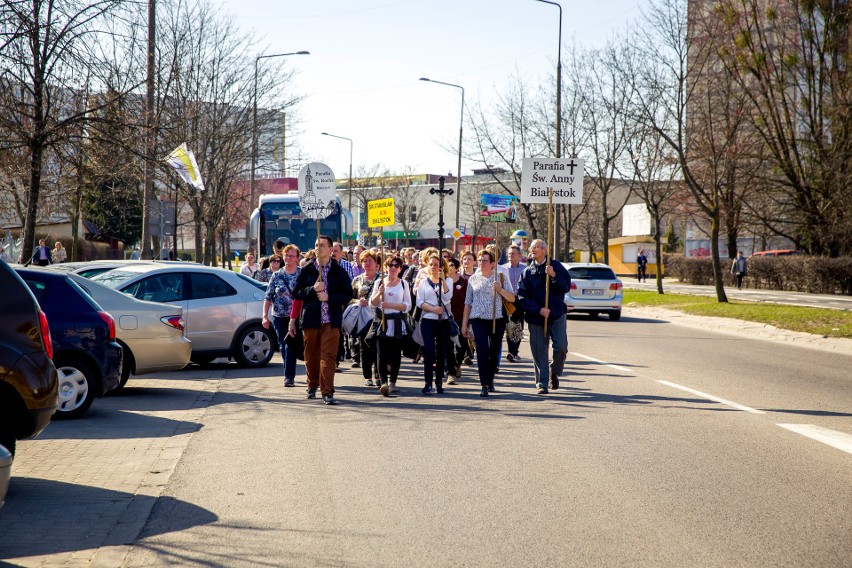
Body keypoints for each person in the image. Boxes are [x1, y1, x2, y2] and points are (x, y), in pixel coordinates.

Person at [292, 235, 352, 405]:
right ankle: (312, 385)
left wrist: (329, 297)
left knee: (329, 356)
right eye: (316, 245)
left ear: (330, 249)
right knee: (311, 355)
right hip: (311, 319)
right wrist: (313, 289)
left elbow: (347, 294)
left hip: (331, 320)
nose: (318, 248)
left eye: (322, 245)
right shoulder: (307, 269)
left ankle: (327, 391)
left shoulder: (338, 271)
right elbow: (296, 293)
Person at [517, 239, 571, 394]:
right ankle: (542, 383)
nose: (533, 249)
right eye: (532, 247)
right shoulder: (527, 272)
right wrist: (538, 309)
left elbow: (566, 286)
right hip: (536, 317)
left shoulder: (556, 267)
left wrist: (554, 276)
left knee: (561, 347)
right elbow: (521, 297)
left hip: (557, 314)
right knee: (539, 351)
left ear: (545, 251)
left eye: (537, 247)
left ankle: (554, 370)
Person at [461, 249, 515, 397]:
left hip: (496, 319)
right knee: (482, 351)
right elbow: (468, 303)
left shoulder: (500, 277)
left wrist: (500, 289)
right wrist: (464, 325)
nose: (481, 263)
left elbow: (512, 298)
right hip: (478, 319)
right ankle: (484, 384)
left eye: (485, 260)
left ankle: (490, 379)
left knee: (494, 352)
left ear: (492, 263)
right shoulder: (473, 279)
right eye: (480, 260)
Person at [371, 254, 412, 396]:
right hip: (382, 321)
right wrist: (379, 293)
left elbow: (407, 305)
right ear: (386, 268)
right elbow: (372, 303)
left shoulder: (403, 284)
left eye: (396, 266)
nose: (393, 268)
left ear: (400, 269)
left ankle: (392, 382)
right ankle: (383, 382)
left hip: (396, 322)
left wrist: (391, 305)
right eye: (390, 265)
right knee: (381, 353)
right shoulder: (379, 282)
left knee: (395, 353)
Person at [262, 247, 300, 387]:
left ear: (297, 258)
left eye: (292, 256)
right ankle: (289, 372)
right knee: (283, 345)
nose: (289, 258)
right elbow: (268, 296)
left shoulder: (301, 274)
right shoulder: (277, 275)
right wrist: (264, 316)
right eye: (286, 255)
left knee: (291, 345)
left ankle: (289, 376)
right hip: (279, 316)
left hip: (296, 316)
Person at [416, 253, 453, 394]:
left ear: (442, 267)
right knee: (429, 350)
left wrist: (443, 280)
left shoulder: (447, 281)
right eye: (431, 264)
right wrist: (433, 309)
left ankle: (439, 382)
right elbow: (420, 301)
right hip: (428, 320)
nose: (433, 267)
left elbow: (448, 296)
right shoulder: (424, 282)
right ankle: (428, 383)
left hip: (442, 321)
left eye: (436, 265)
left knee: (441, 351)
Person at [350, 250, 381, 386]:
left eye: (370, 260)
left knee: (378, 346)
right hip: (363, 317)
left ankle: (379, 374)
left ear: (376, 264)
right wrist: (357, 302)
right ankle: (367, 376)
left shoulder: (382, 279)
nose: (367, 263)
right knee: (364, 346)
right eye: (365, 261)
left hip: (379, 317)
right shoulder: (357, 280)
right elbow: (349, 299)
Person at [502, 244, 526, 362]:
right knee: (508, 325)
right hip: (506, 300)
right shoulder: (503, 268)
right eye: (509, 253)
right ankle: (510, 351)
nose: (511, 255)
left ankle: (513, 352)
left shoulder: (525, 269)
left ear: (520, 256)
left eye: (514, 253)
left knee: (518, 326)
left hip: (519, 301)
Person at [446, 257, 468, 384]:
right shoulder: (443, 281)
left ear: (456, 268)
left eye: (452, 265)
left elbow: (467, 301)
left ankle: (457, 364)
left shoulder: (463, 282)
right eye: (447, 265)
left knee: (462, 345)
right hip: (447, 318)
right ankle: (451, 373)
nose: (449, 267)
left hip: (461, 317)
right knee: (448, 346)